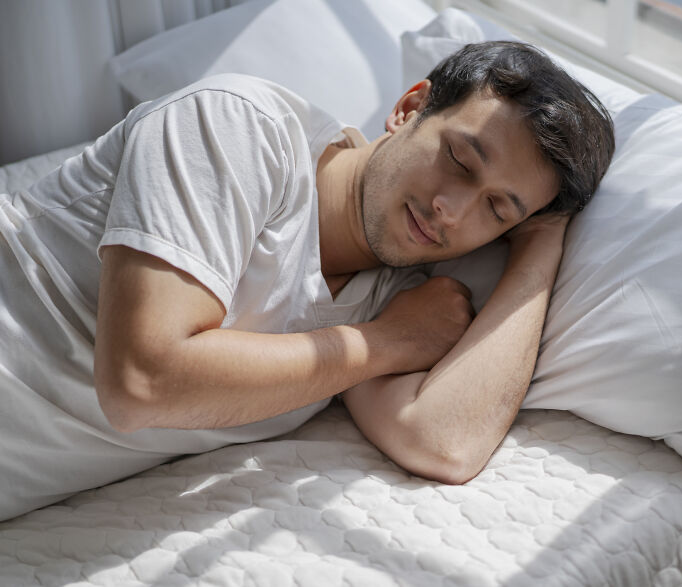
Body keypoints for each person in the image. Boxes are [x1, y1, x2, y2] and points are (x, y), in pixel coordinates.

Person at [0, 41, 614, 521]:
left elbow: (445, 443)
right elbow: (142, 382)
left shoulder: (396, 296)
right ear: (407, 109)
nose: (452, 210)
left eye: (497, 209)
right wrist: (385, 345)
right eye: (458, 159)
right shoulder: (237, 127)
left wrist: (541, 243)